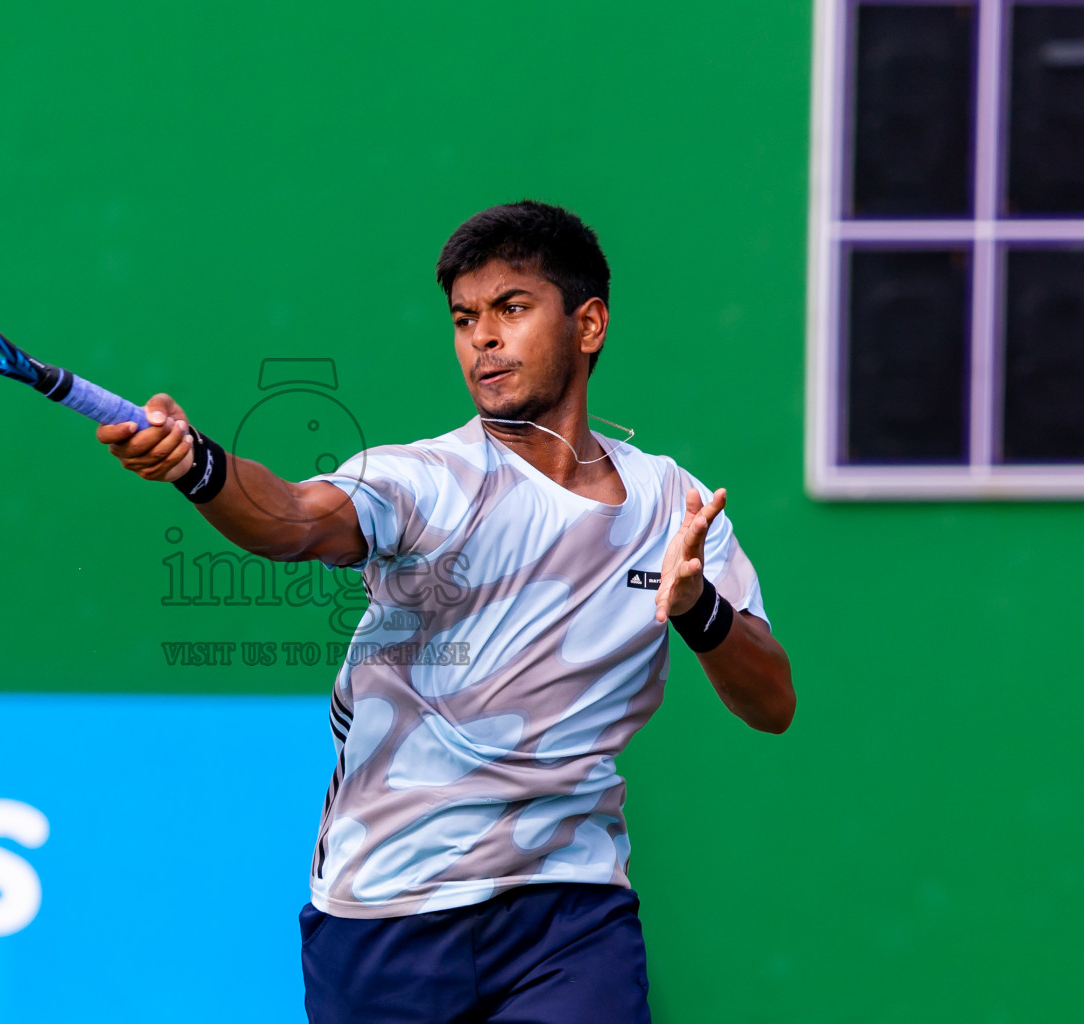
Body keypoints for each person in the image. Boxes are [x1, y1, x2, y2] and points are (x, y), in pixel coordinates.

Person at [97, 200, 794, 1024]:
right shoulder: (423, 481)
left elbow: (771, 703)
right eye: (465, 319)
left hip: (568, 910)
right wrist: (199, 466)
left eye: (511, 309)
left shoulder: (674, 506)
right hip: (389, 911)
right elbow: (291, 516)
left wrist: (696, 606)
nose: (482, 339)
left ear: (589, 324)